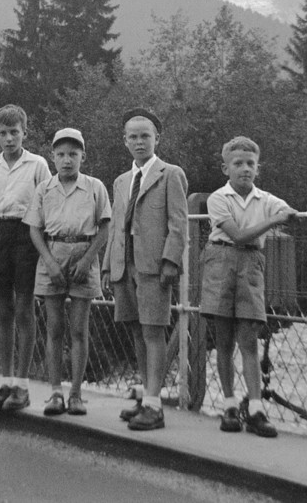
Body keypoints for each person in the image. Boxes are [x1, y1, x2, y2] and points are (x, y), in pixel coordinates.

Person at [200, 135, 307, 438]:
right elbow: (238, 235)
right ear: (226, 168)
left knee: (249, 340)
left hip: (251, 266)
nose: (245, 169)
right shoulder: (218, 198)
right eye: (238, 164)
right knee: (223, 341)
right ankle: (230, 405)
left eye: (251, 164)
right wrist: (273, 222)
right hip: (221, 262)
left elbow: (292, 218)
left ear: (258, 168)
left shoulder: (267, 200)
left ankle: (257, 409)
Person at [102, 108, 188, 431]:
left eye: (145, 136)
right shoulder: (122, 181)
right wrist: (109, 265)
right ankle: (145, 396)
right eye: (133, 137)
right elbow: (114, 227)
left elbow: (178, 224)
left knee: (154, 330)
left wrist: (170, 261)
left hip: (154, 266)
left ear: (157, 138)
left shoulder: (170, 174)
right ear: (125, 141)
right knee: (136, 329)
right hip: (125, 266)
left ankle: (155, 404)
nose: (139, 142)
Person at [24, 128, 111, 416]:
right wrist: (48, 261)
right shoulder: (44, 188)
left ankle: (75, 394)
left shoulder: (95, 186)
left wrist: (88, 259)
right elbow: (35, 228)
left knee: (79, 329)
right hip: (53, 253)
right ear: (52, 157)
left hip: (84, 253)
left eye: (73, 154)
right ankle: (54, 393)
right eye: (61, 154)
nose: (67, 160)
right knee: (54, 328)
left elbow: (105, 226)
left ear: (83, 156)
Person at [0, 104, 51, 411]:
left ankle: (22, 384)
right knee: (3, 309)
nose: (9, 139)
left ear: (25, 133)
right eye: (3, 133)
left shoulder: (38, 164)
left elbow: (47, 203)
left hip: (26, 235)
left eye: (14, 132)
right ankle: (6, 381)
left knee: (24, 308)